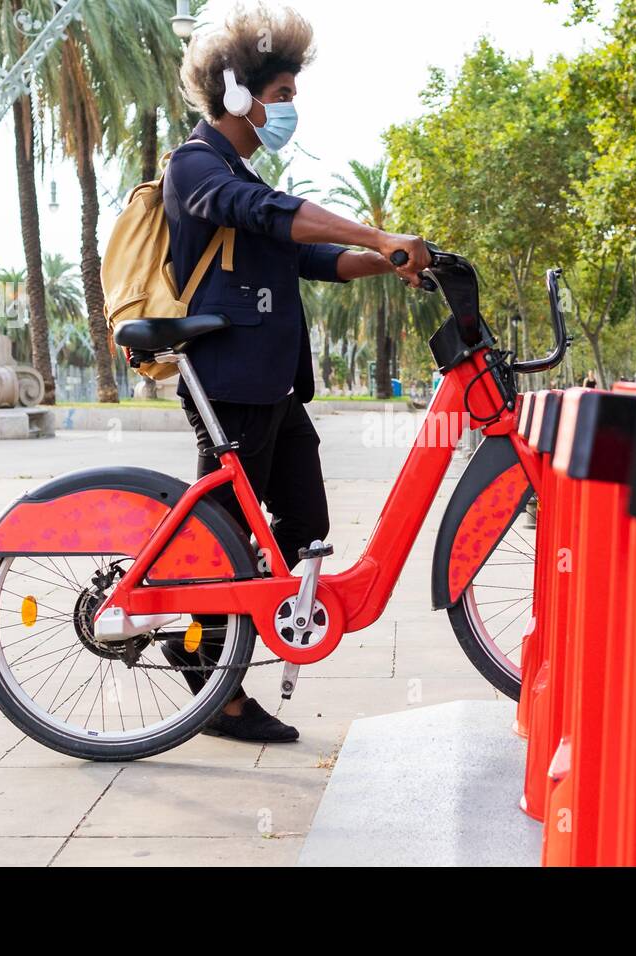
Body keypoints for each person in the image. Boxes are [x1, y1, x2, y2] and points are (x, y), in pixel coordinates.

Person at [156, 4, 430, 743]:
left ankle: (232, 628)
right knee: (227, 540)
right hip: (231, 382)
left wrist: (388, 258)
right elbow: (267, 213)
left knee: (304, 526)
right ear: (239, 96)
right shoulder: (197, 164)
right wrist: (374, 230)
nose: (290, 113)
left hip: (276, 386)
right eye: (282, 97)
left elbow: (311, 257)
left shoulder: (238, 169)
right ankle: (213, 690)